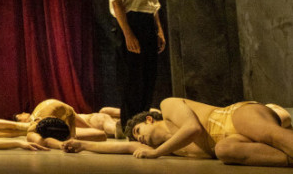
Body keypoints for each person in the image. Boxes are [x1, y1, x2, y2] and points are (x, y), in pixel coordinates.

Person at [62, 97, 293, 167]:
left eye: (139, 130)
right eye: (137, 138)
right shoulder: (162, 147)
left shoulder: (168, 105)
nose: (139, 138)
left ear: (150, 119)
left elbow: (193, 128)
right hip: (230, 141)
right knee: (224, 150)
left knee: (272, 135)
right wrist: (82, 145)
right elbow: (120, 147)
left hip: (234, 116)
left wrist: (157, 153)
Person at [107, 0, 166, 130]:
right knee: (132, 79)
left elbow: (153, 2)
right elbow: (117, 2)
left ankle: (143, 124)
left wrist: (158, 30)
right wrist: (128, 34)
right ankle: (129, 127)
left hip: (147, 21)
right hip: (130, 22)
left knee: (149, 76)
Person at [0, 99, 106, 148]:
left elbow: (70, 111)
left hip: (68, 118)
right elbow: (43, 142)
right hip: (59, 124)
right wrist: (62, 144)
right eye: (19, 116)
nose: (23, 113)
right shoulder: (32, 127)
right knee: (101, 131)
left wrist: (71, 136)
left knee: (102, 126)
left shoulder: (51, 110)